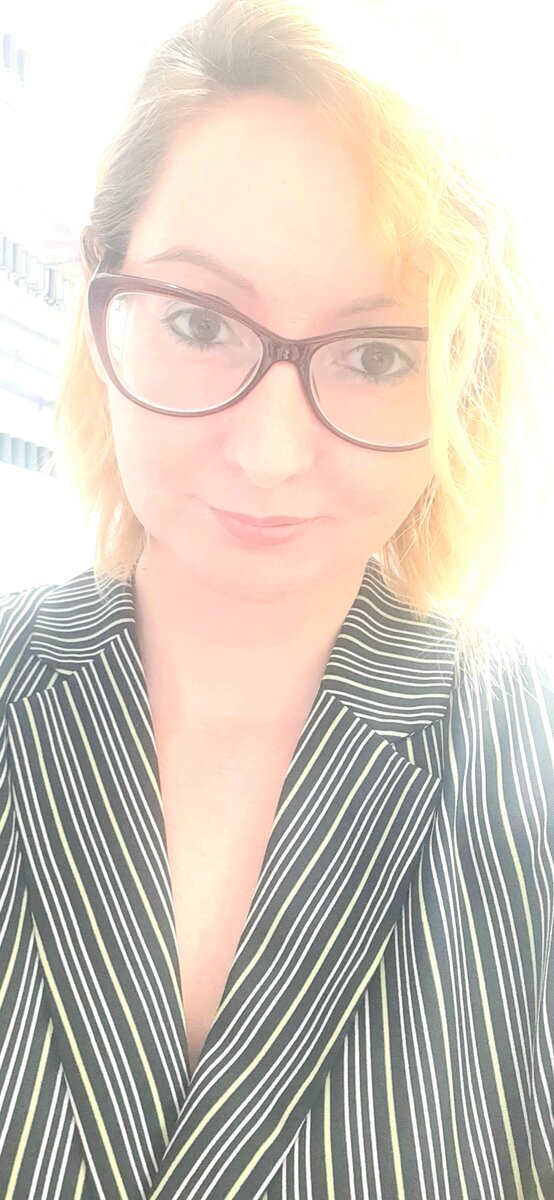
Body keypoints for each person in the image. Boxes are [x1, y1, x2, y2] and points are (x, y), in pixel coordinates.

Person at [1, 0, 552, 1197]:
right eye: (199, 323)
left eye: (374, 356)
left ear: (461, 382)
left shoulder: (527, 750)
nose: (268, 454)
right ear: (102, 301)